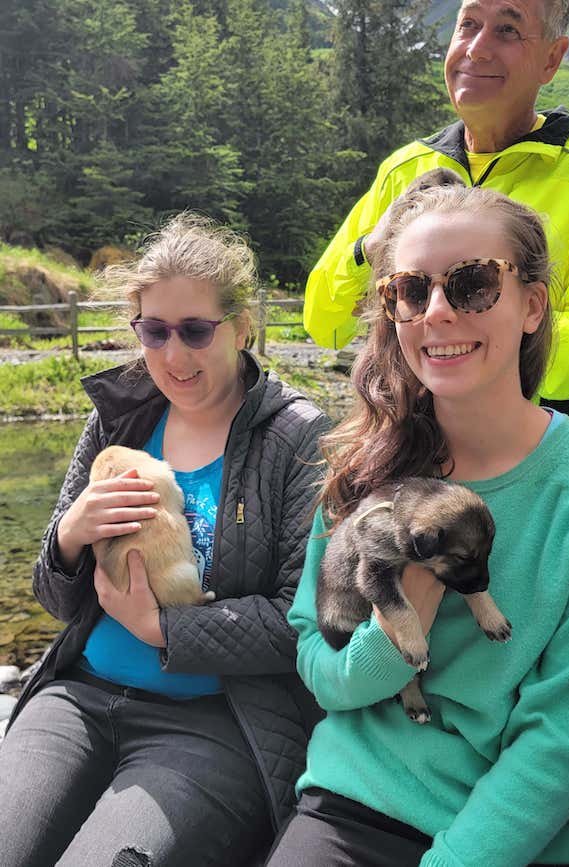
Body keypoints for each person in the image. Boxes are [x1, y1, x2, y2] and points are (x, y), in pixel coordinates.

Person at [265, 184, 569, 867]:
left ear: (533, 305)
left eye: (472, 284)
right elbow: (317, 664)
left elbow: (558, 742)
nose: (437, 311)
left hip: (520, 841)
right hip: (354, 808)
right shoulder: (362, 463)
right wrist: (393, 643)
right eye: (411, 291)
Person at [0, 214, 328, 867]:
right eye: (154, 331)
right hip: (79, 695)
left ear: (241, 326)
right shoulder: (121, 414)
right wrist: (68, 536)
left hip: (212, 724)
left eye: (196, 330)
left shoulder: (297, 438)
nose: (173, 356)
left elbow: (306, 624)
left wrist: (164, 629)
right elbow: (60, 599)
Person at [304, 0, 569, 424]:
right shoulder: (404, 167)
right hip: (406, 453)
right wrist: (373, 246)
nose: (477, 49)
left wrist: (452, 361)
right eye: (467, 25)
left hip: (531, 459)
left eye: (507, 30)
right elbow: (324, 322)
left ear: (552, 59)